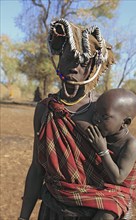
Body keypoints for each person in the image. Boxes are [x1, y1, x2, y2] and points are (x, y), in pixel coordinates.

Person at [18, 18, 117, 220]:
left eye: (83, 62)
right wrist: (23, 217)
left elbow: (119, 169)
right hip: (52, 209)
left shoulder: (103, 110)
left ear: (93, 67)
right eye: (69, 58)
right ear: (59, 60)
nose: (75, 67)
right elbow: (37, 168)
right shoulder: (45, 109)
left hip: (91, 211)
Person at [86, 88, 136, 220]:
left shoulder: (131, 146)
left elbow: (118, 178)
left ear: (125, 122)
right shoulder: (103, 133)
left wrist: (102, 150)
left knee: (105, 215)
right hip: (99, 187)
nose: (96, 119)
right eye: (95, 113)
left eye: (104, 116)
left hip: (120, 193)